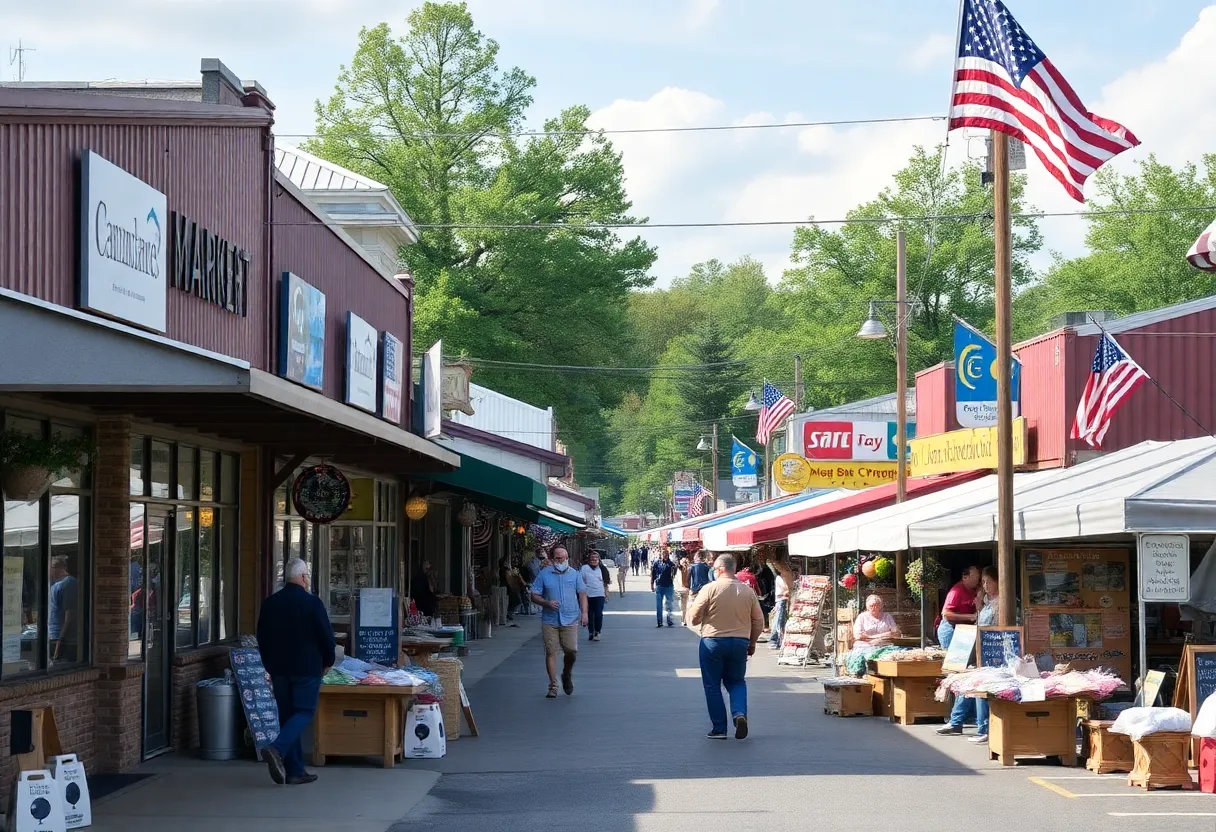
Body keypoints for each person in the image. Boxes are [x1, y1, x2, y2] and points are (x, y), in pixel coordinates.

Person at [256, 558, 335, 786]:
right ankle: (276, 748)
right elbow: (326, 637)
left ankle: (295, 771)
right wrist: (328, 660)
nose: (307, 580)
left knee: (288, 717)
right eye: (307, 576)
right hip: (307, 668)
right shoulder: (312, 603)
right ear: (302, 577)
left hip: (279, 669)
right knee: (304, 712)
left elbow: (262, 637)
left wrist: (268, 665)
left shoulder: (270, 603)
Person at [688, 554, 764, 740]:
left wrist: (698, 615)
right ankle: (739, 714)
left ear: (720, 568)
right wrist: (752, 642)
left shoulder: (709, 589)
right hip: (739, 642)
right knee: (737, 682)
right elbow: (759, 621)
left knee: (712, 685)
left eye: (714, 568)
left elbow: (694, 617)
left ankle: (719, 728)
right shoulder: (747, 591)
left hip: (712, 641)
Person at [946, 567, 1001, 743]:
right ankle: (956, 721)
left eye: (988, 581)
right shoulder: (984, 600)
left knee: (979, 686)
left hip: (992, 649)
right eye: (983, 581)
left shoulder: (1003, 602)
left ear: (998, 582)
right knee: (967, 681)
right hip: (976, 645)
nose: (985, 585)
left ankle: (983, 727)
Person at [530, 546, 588, 698]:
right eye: (557, 558)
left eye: (563, 557)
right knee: (551, 651)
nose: (561, 560)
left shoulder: (575, 574)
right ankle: (553, 685)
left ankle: (566, 673)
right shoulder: (544, 574)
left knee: (571, 650)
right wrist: (546, 603)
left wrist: (585, 613)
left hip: (570, 618)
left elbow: (582, 594)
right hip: (550, 620)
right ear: (552, 558)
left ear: (567, 558)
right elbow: (534, 594)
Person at [935, 565, 982, 736]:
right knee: (958, 671)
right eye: (976, 577)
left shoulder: (974, 591)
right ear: (965, 576)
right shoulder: (957, 591)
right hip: (952, 630)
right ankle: (958, 716)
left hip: (966, 632)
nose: (978, 580)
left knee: (966, 674)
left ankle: (962, 717)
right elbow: (946, 614)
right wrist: (970, 617)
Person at [49, 557, 78, 664]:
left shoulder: (69, 584)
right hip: (52, 636)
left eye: (50, 568)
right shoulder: (54, 585)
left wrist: (60, 641)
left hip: (62, 640)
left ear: (58, 568)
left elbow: (70, 616)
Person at [580, 551, 609, 641]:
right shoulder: (584, 568)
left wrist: (606, 594)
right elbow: (581, 580)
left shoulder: (602, 569)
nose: (594, 559)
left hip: (599, 594)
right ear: (589, 559)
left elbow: (606, 583)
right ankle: (591, 632)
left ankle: (597, 631)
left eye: (596, 558)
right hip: (587, 595)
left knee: (598, 614)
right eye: (592, 558)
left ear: (599, 559)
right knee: (589, 615)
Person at [768, 559, 794, 650]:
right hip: (782, 599)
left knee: (780, 620)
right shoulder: (781, 577)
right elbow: (786, 588)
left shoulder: (782, 576)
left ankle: (776, 639)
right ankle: (774, 639)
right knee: (778, 620)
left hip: (782, 599)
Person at [651, 548, 678, 627]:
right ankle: (659, 621)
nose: (665, 556)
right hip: (659, 586)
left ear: (668, 555)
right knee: (659, 605)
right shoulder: (657, 563)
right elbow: (653, 574)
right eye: (663, 554)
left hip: (669, 586)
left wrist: (675, 568)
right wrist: (652, 584)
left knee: (669, 604)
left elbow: (674, 574)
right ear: (661, 555)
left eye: (666, 554)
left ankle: (669, 620)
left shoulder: (671, 564)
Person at [676, 556, 691, 626]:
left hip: (683, 589)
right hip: (684, 589)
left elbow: (678, 580)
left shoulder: (680, 570)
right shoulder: (687, 569)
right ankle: (684, 620)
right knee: (685, 606)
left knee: (684, 606)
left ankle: (683, 620)